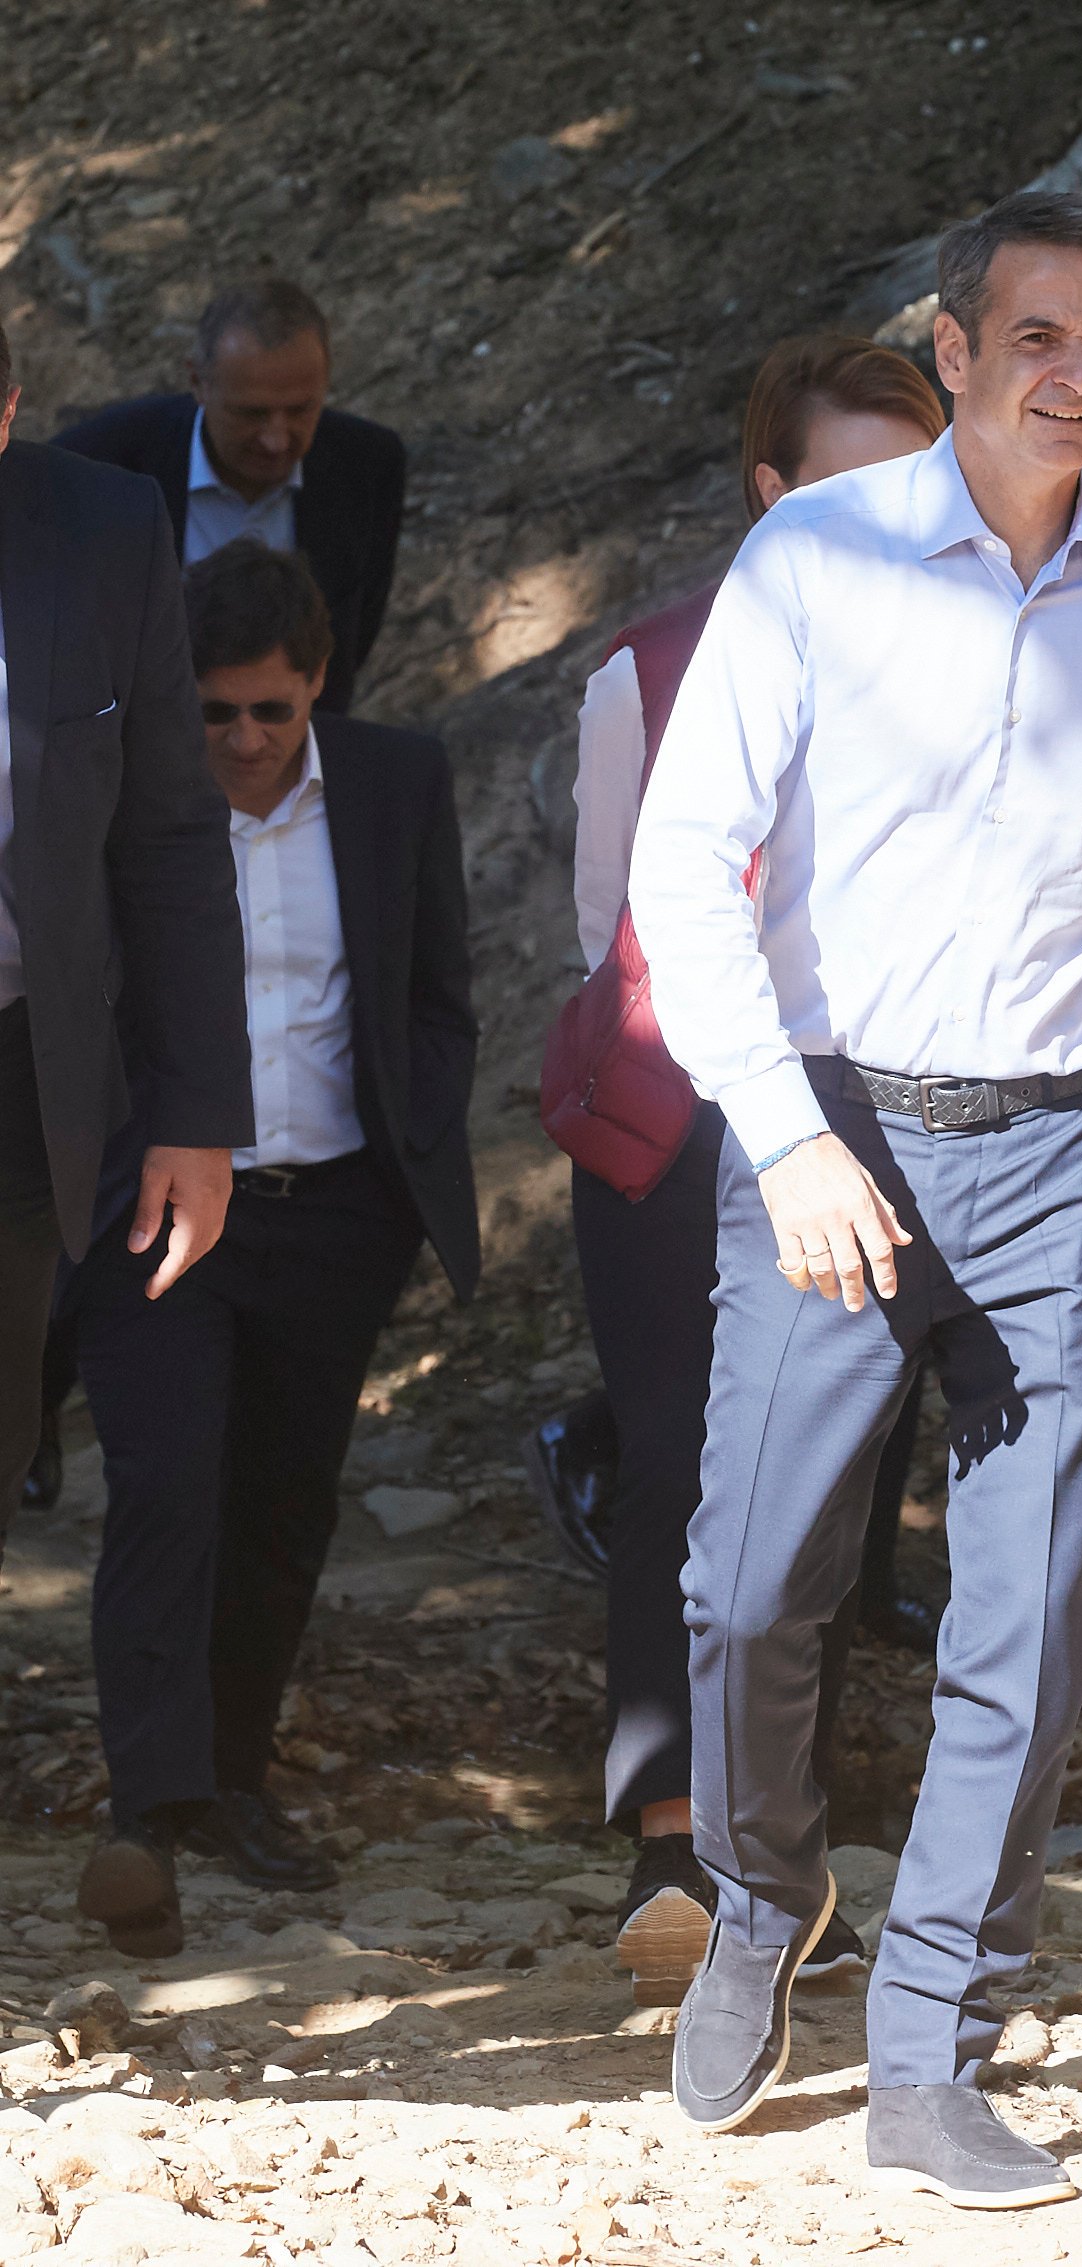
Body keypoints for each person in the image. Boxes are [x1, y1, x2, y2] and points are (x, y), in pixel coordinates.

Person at [633, 190, 1082, 2206]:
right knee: (747, 1585)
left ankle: (933, 2046)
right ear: (953, 351)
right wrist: (787, 1136)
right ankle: (759, 1891)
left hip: (1069, 1151)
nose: (1076, 374)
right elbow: (684, 861)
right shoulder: (814, 556)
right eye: (1036, 336)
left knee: (1025, 1615)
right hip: (837, 1132)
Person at [542, 335, 950, 2010]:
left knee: (830, 1475)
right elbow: (613, 920)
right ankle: (669, 1840)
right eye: (844, 483)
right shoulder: (647, 669)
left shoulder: (973, 654)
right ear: (769, 493)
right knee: (675, 1457)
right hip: (684, 1111)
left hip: (883, 1108)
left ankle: (785, 1854)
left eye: (911, 479)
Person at [68, 541, 473, 1956]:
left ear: (318, 684)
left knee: (285, 1500)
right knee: (166, 1481)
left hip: (333, 1208)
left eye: (270, 709)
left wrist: (405, 1168)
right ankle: (147, 1809)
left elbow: (435, 991)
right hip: (160, 1206)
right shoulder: (124, 798)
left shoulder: (394, 782)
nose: (243, 739)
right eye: (213, 711)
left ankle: (232, 1779)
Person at [0, 318, 247, 1571]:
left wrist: (195, 1116)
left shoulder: (99, 528)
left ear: (7, 413)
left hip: (19, 1074)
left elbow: (167, 836)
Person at [55, 279, 407, 716]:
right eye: (251, 414)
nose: (277, 440)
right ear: (198, 382)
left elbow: (354, 634)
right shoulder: (98, 466)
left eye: (301, 410)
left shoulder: (368, 466)